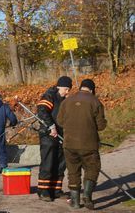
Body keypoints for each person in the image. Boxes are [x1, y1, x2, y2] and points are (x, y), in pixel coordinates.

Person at [57, 79, 107, 209]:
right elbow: (101, 126)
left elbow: (60, 122)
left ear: (81, 88)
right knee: (92, 168)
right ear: (92, 89)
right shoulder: (95, 101)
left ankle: (74, 201)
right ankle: (87, 195)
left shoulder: (67, 101)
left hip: (69, 144)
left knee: (73, 172)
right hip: (88, 144)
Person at [36, 75, 72, 201]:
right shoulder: (49, 95)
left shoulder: (64, 100)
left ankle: (56, 190)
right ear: (59, 86)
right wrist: (51, 126)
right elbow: (42, 111)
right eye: (66, 89)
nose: (67, 92)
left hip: (61, 136)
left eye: (69, 90)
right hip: (48, 135)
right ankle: (43, 191)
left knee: (60, 163)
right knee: (48, 162)